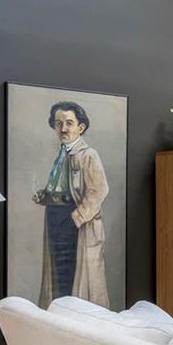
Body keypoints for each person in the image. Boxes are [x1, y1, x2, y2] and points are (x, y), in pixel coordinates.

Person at [33, 101, 110, 308]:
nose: (63, 129)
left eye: (69, 123)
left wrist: (77, 217)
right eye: (58, 124)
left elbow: (98, 190)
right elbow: (61, 184)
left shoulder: (88, 155)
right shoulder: (62, 153)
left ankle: (73, 315)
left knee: (73, 272)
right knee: (58, 271)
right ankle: (60, 315)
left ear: (80, 127)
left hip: (74, 220)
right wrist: (46, 196)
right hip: (55, 216)